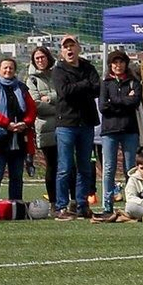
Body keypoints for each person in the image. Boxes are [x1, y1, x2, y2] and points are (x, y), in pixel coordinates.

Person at [51, 35, 100, 220]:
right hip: (66, 124)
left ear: (79, 48)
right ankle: (62, 207)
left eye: (72, 46)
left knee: (85, 167)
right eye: (66, 47)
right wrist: (84, 85)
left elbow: (97, 88)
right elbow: (64, 92)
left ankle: (82, 204)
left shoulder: (88, 67)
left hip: (86, 123)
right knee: (64, 167)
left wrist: (79, 87)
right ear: (62, 52)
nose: (69, 49)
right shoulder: (58, 70)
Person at [0, 56, 36, 203]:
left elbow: (31, 110)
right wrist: (7, 124)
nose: (8, 70)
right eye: (5, 68)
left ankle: (16, 205)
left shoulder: (22, 88)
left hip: (19, 139)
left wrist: (25, 123)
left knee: (17, 175)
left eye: (11, 68)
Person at [97, 49, 142, 216]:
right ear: (110, 65)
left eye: (121, 62)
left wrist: (114, 101)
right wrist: (124, 101)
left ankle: (132, 203)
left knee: (130, 168)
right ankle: (107, 205)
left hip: (130, 130)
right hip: (109, 131)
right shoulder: (106, 83)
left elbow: (135, 102)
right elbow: (103, 107)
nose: (118, 65)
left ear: (125, 64)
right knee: (109, 168)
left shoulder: (133, 82)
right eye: (115, 62)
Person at [25, 46, 60, 209]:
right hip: (45, 129)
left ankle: (69, 200)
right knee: (52, 165)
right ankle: (54, 202)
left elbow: (64, 94)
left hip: (64, 126)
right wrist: (60, 107)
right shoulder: (31, 80)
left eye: (42, 57)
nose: (40, 60)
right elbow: (36, 105)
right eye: (37, 58)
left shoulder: (59, 74)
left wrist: (51, 98)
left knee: (67, 166)